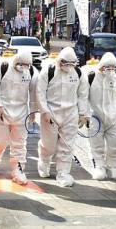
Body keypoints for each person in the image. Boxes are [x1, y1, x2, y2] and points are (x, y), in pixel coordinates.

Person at [37, 47, 90, 187]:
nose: (68, 66)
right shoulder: (48, 71)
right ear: (60, 61)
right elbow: (40, 92)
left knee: (67, 146)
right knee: (49, 146)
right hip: (51, 112)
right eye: (66, 63)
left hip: (70, 113)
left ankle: (63, 173)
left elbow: (83, 94)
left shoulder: (78, 74)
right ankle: (44, 159)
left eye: (72, 64)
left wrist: (83, 114)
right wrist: (45, 111)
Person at [0, 50, 38, 185]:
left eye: (27, 65)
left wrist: (33, 111)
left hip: (21, 113)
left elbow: (34, 92)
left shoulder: (31, 72)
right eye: (22, 64)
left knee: (19, 144)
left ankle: (18, 170)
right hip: (1, 113)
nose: (24, 67)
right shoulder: (2, 67)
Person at [84, 53, 116, 180]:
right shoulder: (91, 77)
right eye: (108, 67)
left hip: (114, 117)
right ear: (102, 66)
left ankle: (112, 166)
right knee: (96, 144)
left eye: (114, 68)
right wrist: (85, 113)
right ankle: (99, 166)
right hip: (95, 116)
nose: (111, 70)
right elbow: (84, 96)